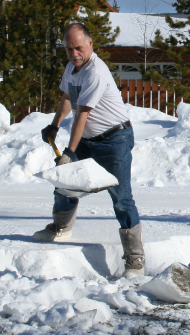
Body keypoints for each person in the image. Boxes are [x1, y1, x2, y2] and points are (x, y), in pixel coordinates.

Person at [35, 22, 145, 279]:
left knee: (121, 196)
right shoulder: (72, 68)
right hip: (88, 138)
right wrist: (54, 125)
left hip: (114, 138)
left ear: (91, 45)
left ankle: (135, 257)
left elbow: (82, 114)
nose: (74, 53)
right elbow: (66, 98)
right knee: (65, 183)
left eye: (78, 48)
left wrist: (70, 152)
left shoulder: (95, 72)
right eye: (69, 49)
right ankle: (61, 228)